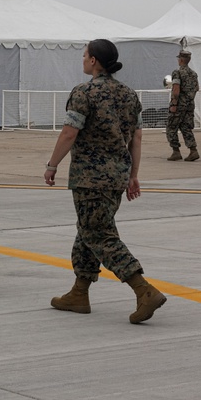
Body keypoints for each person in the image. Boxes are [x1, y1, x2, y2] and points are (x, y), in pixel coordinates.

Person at [44, 39, 166, 324]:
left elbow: (69, 133)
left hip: (89, 178)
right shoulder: (129, 94)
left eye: (85, 56)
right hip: (117, 177)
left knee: (98, 234)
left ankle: (143, 289)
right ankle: (79, 292)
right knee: (88, 230)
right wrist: (133, 175)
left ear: (95, 61)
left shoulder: (84, 92)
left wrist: (52, 165)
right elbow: (136, 138)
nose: (83, 60)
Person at [166, 49, 200, 162]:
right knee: (186, 127)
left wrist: (174, 104)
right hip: (190, 104)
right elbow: (197, 88)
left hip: (179, 105)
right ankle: (193, 150)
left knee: (171, 127)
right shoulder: (194, 74)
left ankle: (176, 152)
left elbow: (176, 89)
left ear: (180, 60)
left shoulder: (177, 72)